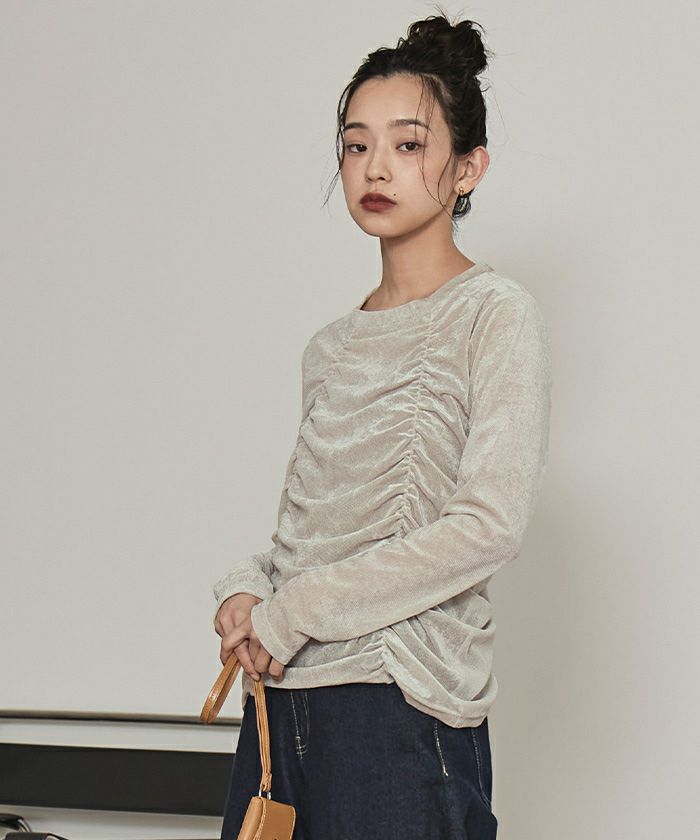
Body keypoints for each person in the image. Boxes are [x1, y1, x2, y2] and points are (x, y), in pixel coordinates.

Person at [212, 9, 552, 839]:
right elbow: (312, 529)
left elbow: (488, 524)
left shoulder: (492, 313)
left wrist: (295, 610)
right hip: (281, 705)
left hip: (397, 706)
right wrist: (250, 588)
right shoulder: (330, 345)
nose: (375, 167)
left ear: (467, 168)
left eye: (408, 144)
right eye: (356, 144)